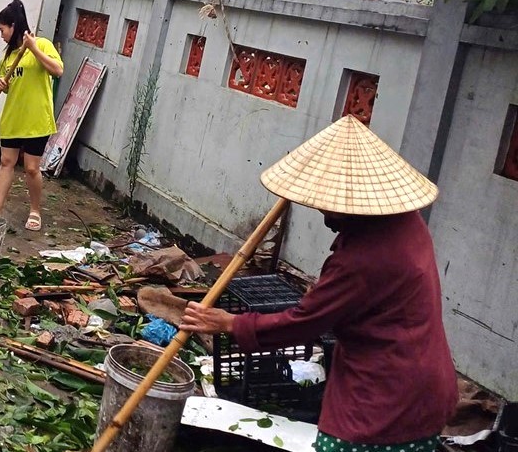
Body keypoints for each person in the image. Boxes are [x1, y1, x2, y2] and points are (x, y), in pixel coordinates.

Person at [179, 115, 458, 452]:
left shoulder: (360, 260)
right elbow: (371, 300)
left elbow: (303, 324)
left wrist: (231, 323)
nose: (325, 219)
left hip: (384, 399)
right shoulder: (407, 223)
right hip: (428, 385)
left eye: (331, 208)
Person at [0, 0, 63, 230]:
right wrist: (3, 85)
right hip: (13, 117)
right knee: (6, 162)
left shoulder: (41, 44)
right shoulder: (7, 56)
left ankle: (35, 210)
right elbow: (11, 85)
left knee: (31, 167)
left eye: (2, 30)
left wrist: (33, 49)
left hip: (36, 119)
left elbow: (57, 70)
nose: (1, 35)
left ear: (13, 26)